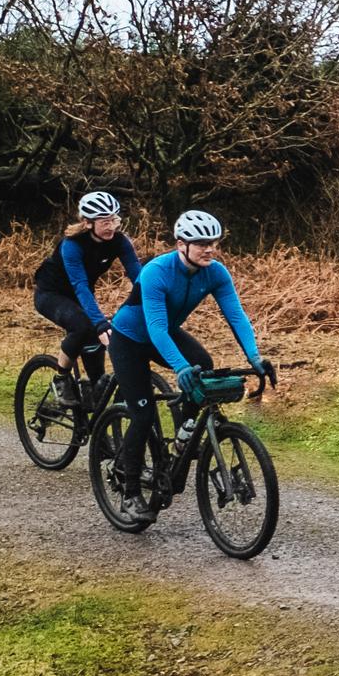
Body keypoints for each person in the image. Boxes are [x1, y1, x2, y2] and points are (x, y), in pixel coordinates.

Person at [106, 210, 274, 499]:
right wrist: (180, 367)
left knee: (204, 366)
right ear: (180, 244)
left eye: (213, 242)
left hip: (165, 332)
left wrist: (255, 357)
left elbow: (236, 317)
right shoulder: (156, 271)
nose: (209, 248)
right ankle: (131, 493)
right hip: (130, 339)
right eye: (201, 243)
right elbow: (156, 328)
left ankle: (184, 434)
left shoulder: (216, 273)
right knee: (143, 417)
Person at [32, 191, 141, 387]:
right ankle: (61, 379)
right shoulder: (72, 245)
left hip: (81, 295)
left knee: (98, 349)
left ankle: (95, 391)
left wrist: (153, 303)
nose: (111, 227)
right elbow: (80, 286)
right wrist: (99, 322)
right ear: (88, 223)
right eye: (104, 222)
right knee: (83, 326)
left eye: (114, 221)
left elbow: (139, 278)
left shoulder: (120, 241)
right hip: (51, 294)